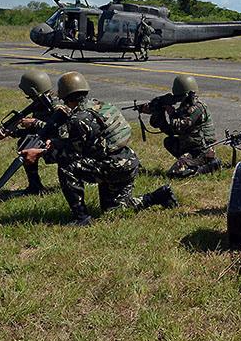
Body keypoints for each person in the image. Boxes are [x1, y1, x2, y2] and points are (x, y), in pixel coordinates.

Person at [21, 71, 177, 226]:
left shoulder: (79, 120)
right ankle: (159, 196)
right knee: (113, 209)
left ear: (65, 96)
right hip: (127, 161)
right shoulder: (99, 105)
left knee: (67, 167)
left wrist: (41, 153)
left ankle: (81, 218)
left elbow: (72, 153)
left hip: (113, 166)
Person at [0, 70, 57, 194]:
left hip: (68, 145)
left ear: (33, 91)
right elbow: (36, 132)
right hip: (54, 142)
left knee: (29, 146)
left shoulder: (57, 105)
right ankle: (35, 186)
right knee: (26, 143)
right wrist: (11, 132)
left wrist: (35, 122)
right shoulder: (40, 104)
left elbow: (62, 129)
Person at [145, 75, 221, 178]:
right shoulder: (184, 108)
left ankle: (209, 166)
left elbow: (179, 127)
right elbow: (172, 131)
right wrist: (158, 114)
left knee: (174, 174)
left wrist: (171, 113)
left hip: (202, 150)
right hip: (191, 146)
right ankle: (188, 161)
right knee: (169, 141)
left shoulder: (197, 108)